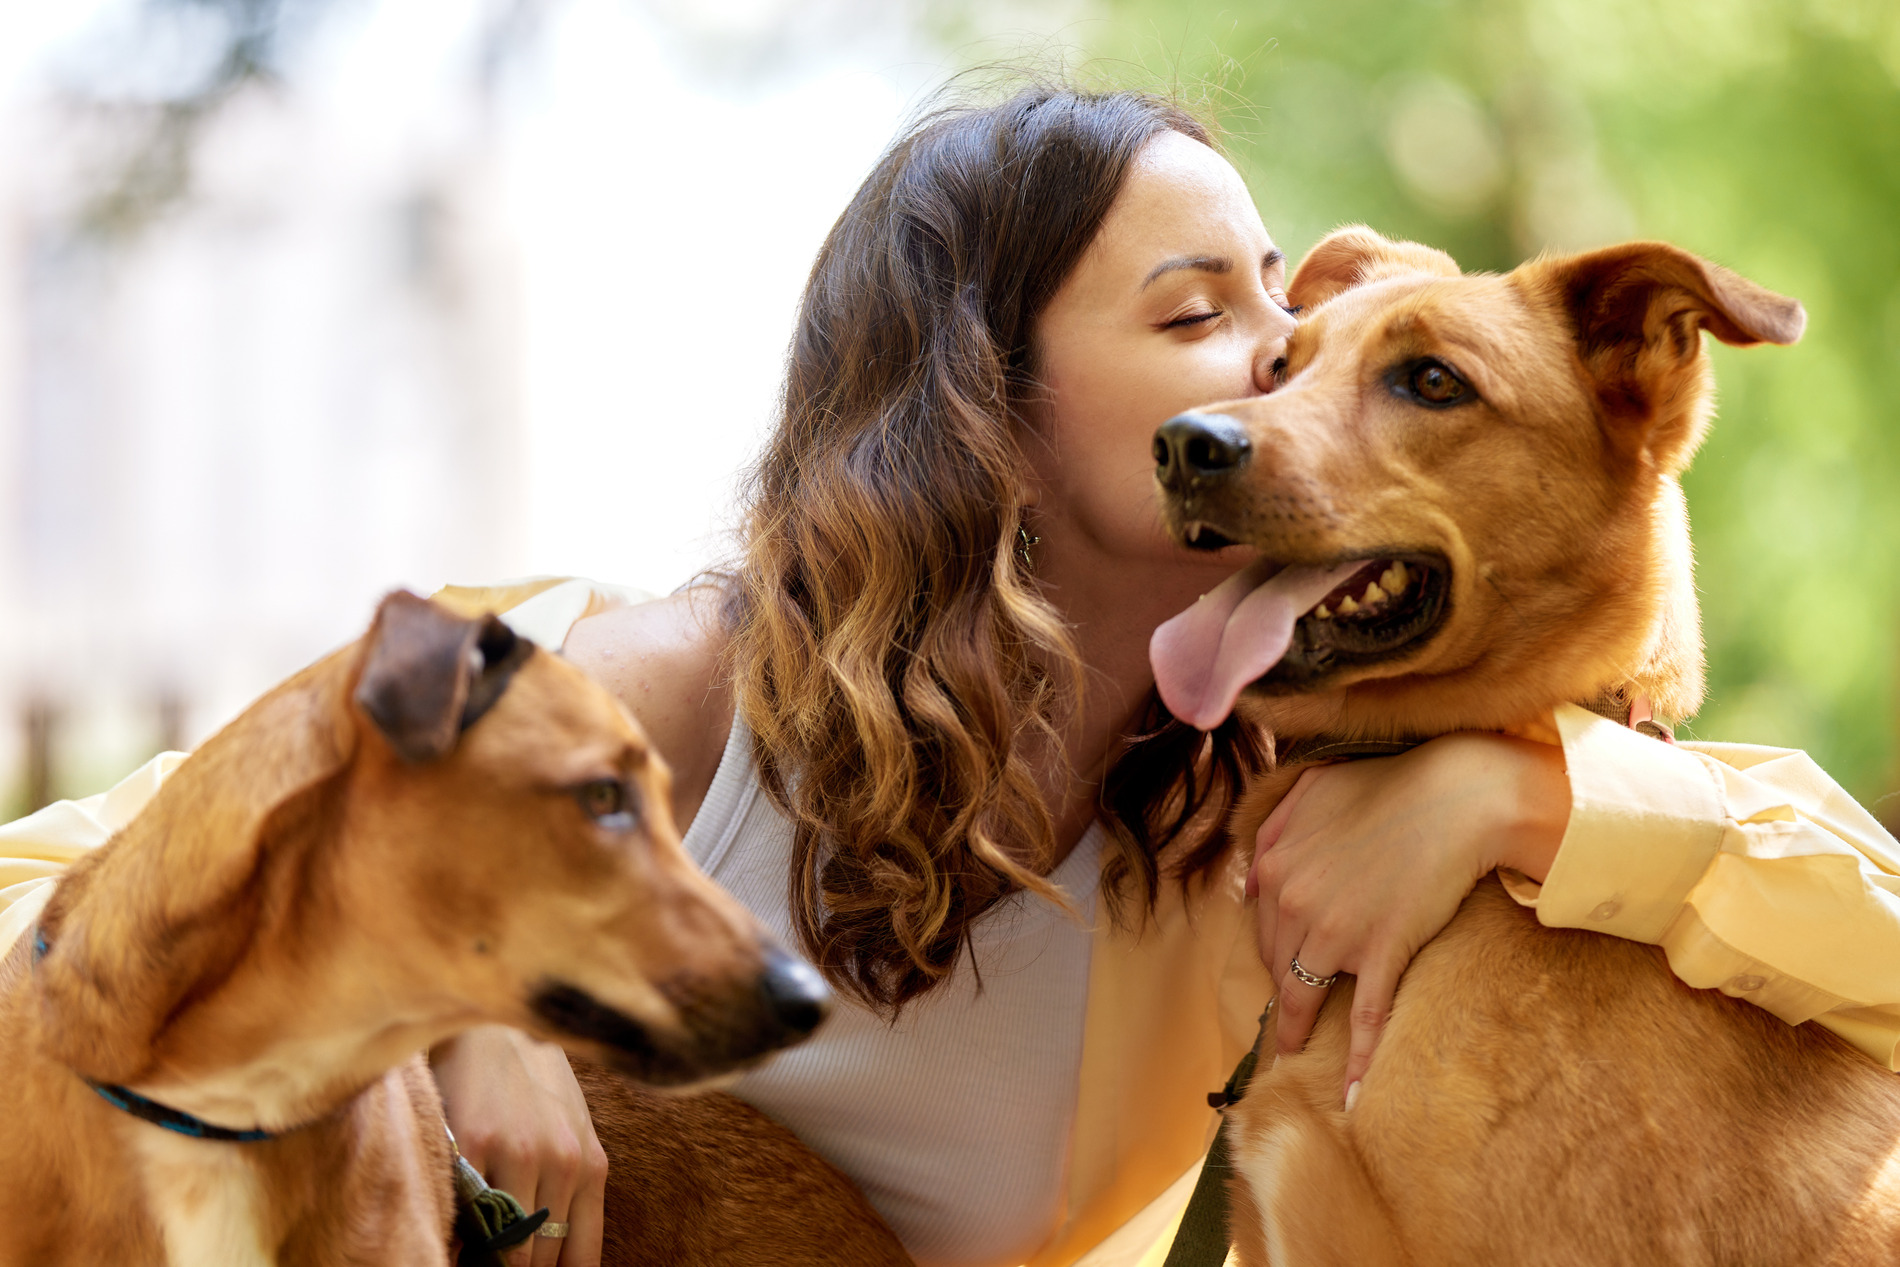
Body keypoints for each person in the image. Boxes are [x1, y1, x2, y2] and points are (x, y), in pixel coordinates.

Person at [5, 83, 1898, 1267]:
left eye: (1294, 315)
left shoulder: (1262, 805)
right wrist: (444, 1010)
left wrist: (1533, 792)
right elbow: (61, 916)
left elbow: (1857, 955)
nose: (1278, 369)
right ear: (984, 405)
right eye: (1204, 315)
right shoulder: (666, 693)